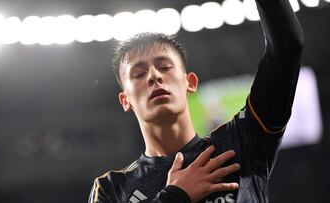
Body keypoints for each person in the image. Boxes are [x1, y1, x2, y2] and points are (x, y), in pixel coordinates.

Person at [88, 0, 303, 201]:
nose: (154, 76)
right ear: (125, 100)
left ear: (189, 82)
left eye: (164, 66)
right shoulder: (112, 188)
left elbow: (287, 47)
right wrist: (175, 196)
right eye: (138, 74)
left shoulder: (241, 140)